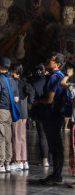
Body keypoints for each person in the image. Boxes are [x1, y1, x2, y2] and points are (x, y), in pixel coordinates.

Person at [30, 52, 67, 185]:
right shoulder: (61, 76)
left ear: (58, 64)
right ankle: (56, 174)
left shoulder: (53, 78)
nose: (47, 61)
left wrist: (37, 102)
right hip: (57, 114)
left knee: (54, 144)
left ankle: (56, 175)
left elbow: (49, 99)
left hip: (51, 114)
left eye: (51, 60)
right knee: (56, 144)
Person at [8, 63, 34, 171]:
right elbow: (31, 95)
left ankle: (17, 160)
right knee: (22, 137)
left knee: (16, 137)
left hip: (16, 113)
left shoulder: (13, 83)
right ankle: (24, 160)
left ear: (14, 71)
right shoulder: (25, 83)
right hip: (24, 113)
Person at [29, 63, 51, 167]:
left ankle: (45, 160)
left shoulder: (34, 83)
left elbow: (31, 99)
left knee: (42, 135)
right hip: (52, 111)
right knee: (53, 136)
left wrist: (36, 101)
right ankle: (53, 159)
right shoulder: (50, 80)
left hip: (40, 111)